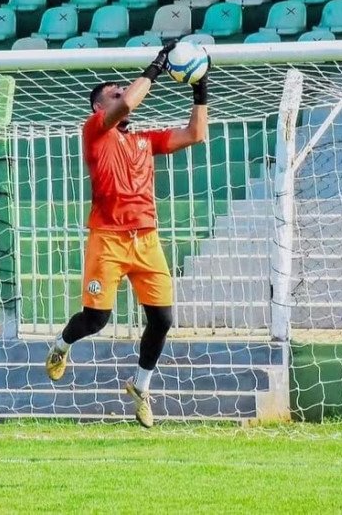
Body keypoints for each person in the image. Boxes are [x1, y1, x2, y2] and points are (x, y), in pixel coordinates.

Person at [45, 42, 209, 427]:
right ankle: (61, 344)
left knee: (163, 319)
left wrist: (201, 86)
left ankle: (140, 386)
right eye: (113, 93)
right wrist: (155, 67)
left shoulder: (142, 140)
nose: (121, 93)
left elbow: (195, 134)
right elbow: (127, 105)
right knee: (96, 320)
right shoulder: (94, 131)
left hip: (147, 239)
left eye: (123, 88)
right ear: (99, 108)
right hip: (108, 239)